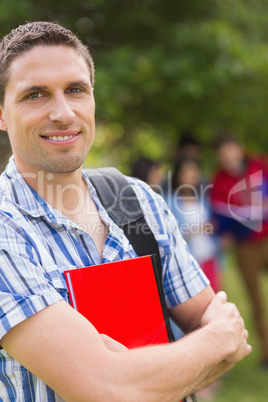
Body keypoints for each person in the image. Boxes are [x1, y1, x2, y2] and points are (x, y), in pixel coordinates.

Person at [0, 21, 251, 401]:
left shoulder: (137, 199)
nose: (63, 112)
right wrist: (212, 343)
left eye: (76, 90)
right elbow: (108, 391)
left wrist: (138, 375)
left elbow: (232, 341)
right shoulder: (5, 229)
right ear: (2, 114)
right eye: (35, 94)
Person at [210, 135, 268, 368]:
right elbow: (220, 217)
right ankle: (266, 353)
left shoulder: (260, 166)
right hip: (245, 247)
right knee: (257, 302)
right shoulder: (219, 181)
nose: (228, 158)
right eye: (222, 155)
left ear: (240, 149)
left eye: (231, 152)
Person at [165, 157, 222, 294]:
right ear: (178, 175)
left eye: (195, 171)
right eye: (187, 171)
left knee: (215, 297)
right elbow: (172, 233)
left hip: (210, 256)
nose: (192, 175)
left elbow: (213, 225)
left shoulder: (203, 199)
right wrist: (197, 229)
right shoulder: (170, 202)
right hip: (190, 261)